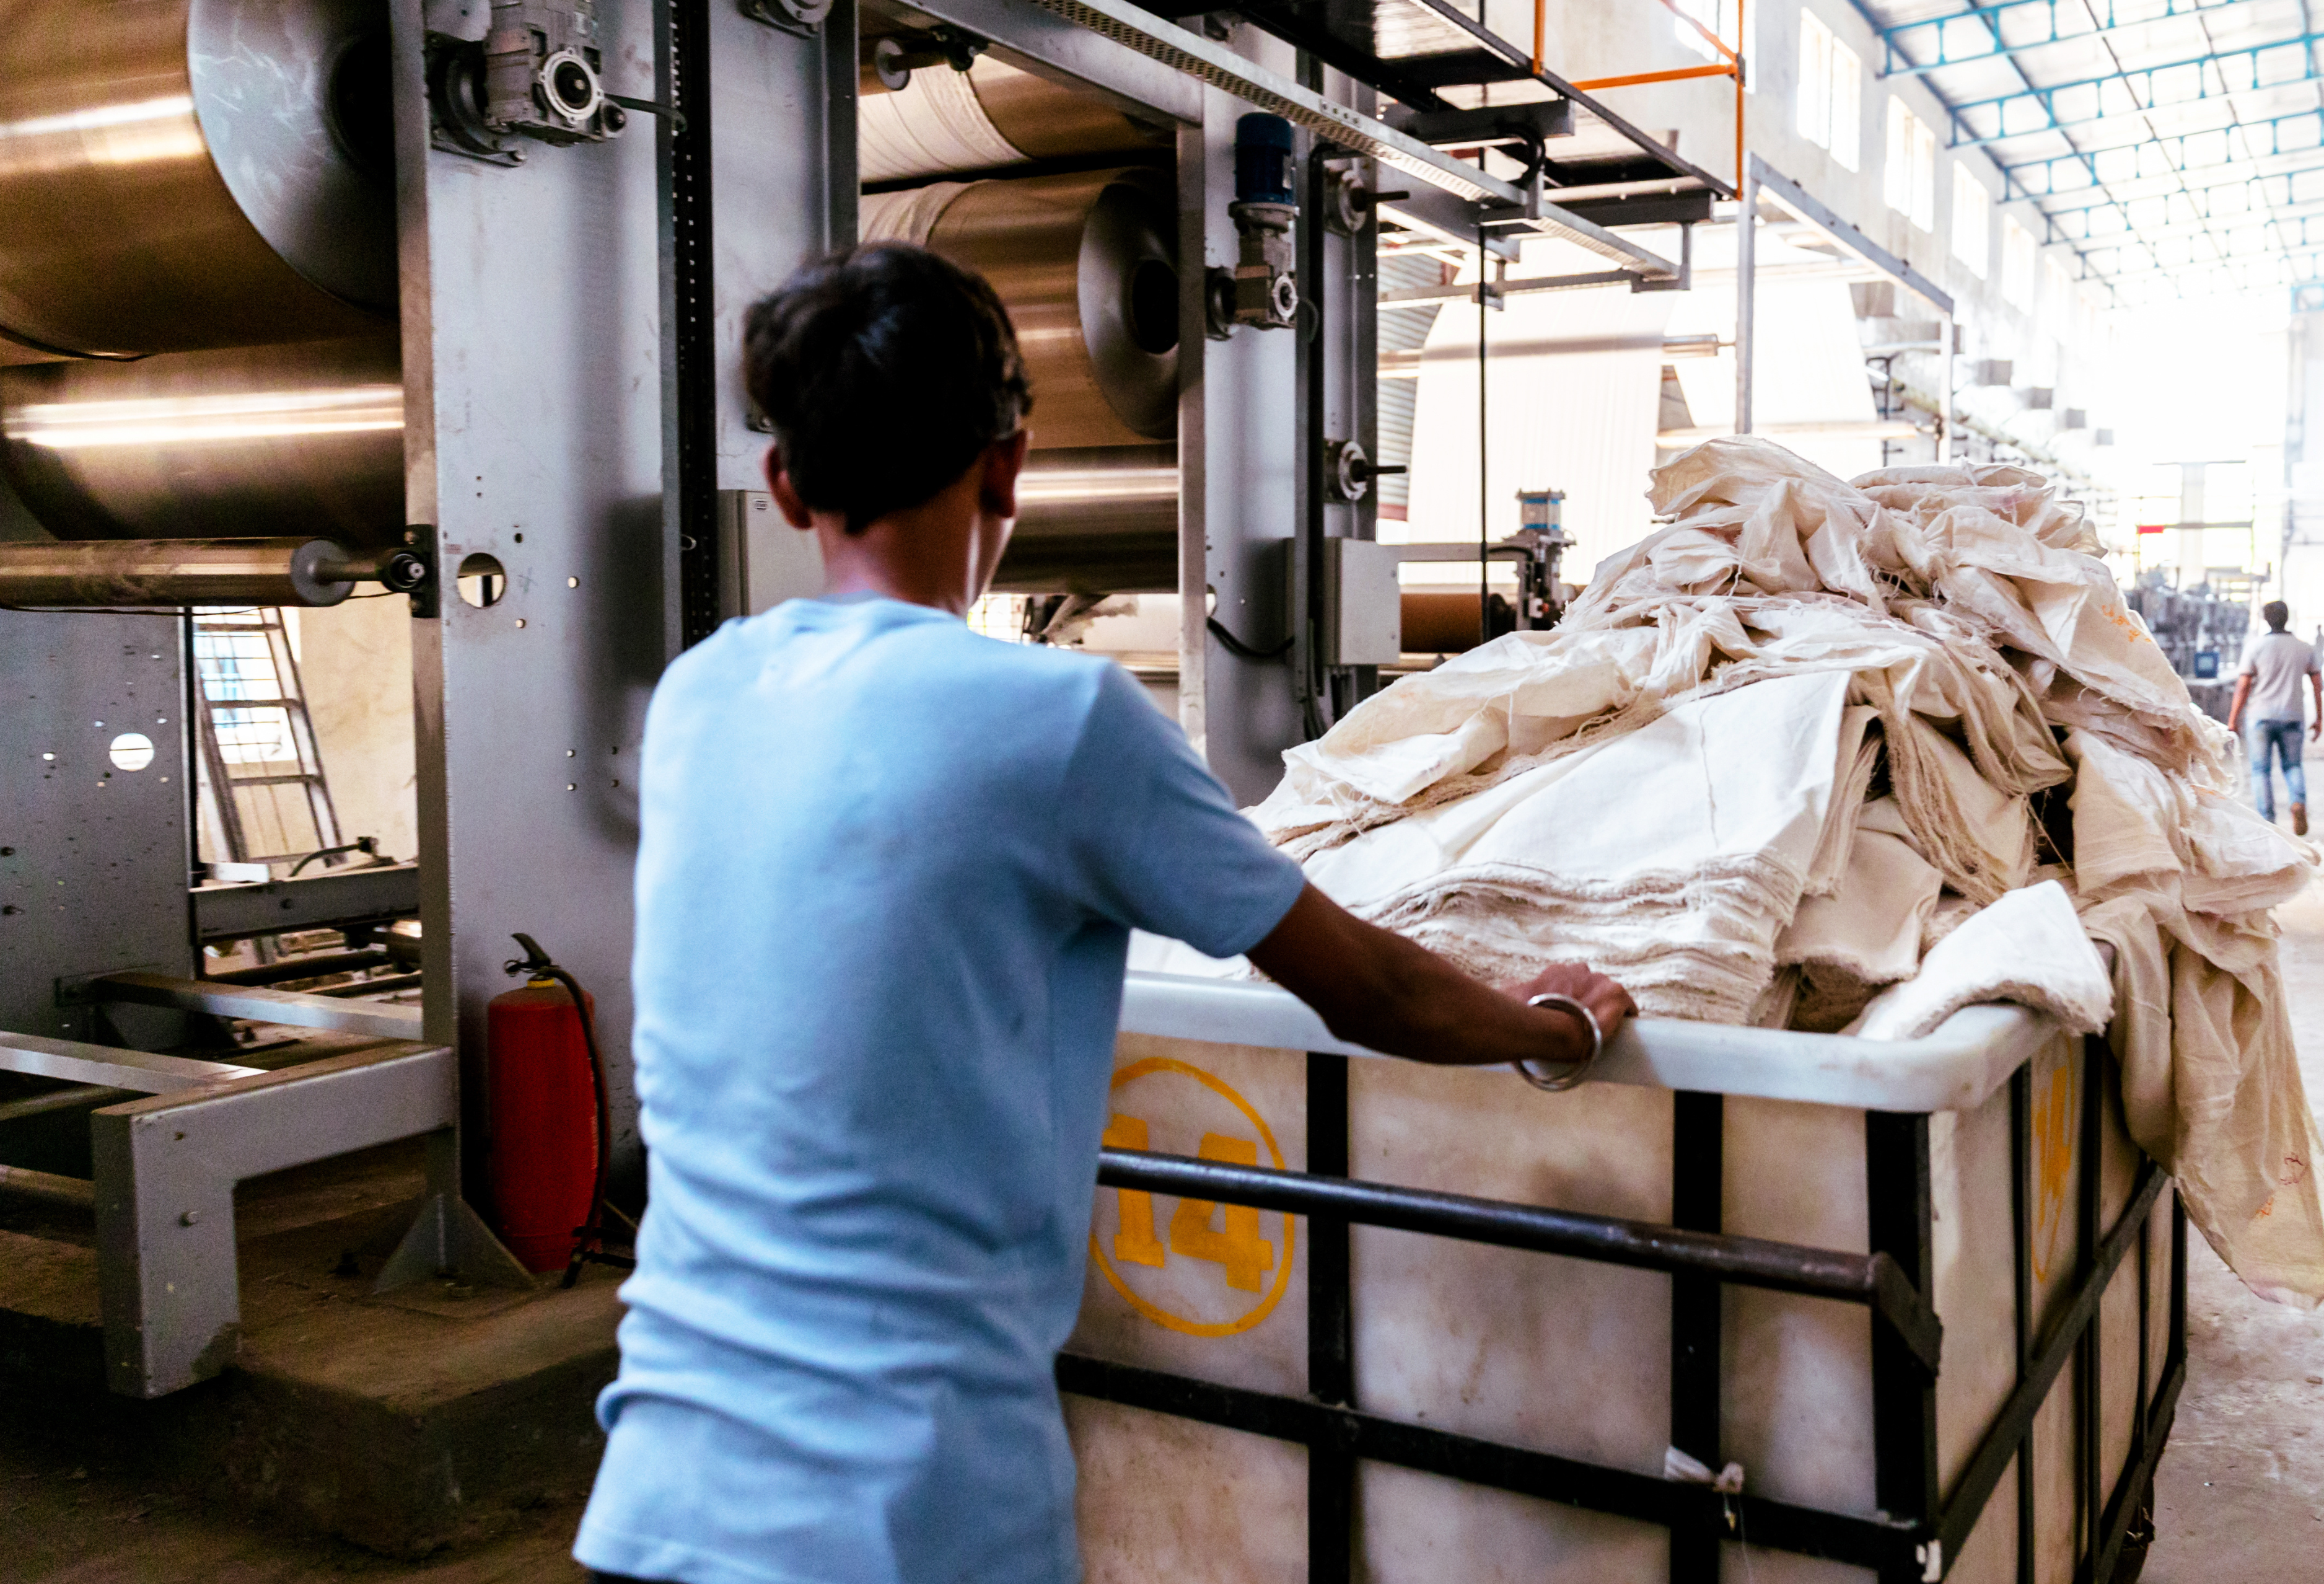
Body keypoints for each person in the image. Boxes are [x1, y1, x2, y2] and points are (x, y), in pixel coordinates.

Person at [572, 244, 1636, 1584]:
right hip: (905, 1517)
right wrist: (1550, 1024)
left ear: (785, 486)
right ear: (1011, 466)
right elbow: (1369, 986)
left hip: (656, 1496)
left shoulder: (700, 697)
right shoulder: (1060, 721)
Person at [2225, 599, 2323, 834]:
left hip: (2260, 715)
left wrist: (2233, 720)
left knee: (2261, 771)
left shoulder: (2255, 647)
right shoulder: (2304, 648)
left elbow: (2244, 686)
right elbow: (2318, 685)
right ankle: (2298, 803)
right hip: (2293, 714)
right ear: (2287, 617)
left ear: (2266, 619)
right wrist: (2319, 718)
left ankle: (2267, 822)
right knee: (2293, 766)